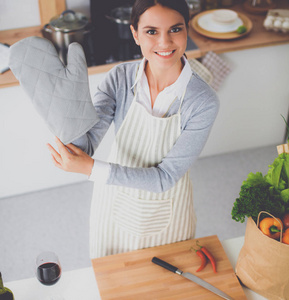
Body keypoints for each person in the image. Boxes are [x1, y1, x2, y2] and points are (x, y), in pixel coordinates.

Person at [47, 0, 219, 258]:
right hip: (114, 199)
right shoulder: (119, 78)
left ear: (187, 30)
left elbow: (165, 177)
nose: (165, 42)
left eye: (175, 29)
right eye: (151, 31)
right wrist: (70, 105)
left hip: (167, 206)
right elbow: (87, 143)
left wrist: (90, 168)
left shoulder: (203, 101)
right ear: (135, 34)